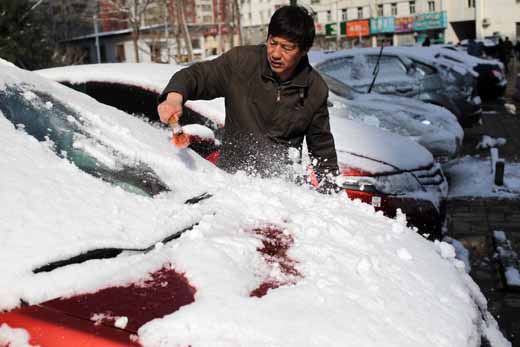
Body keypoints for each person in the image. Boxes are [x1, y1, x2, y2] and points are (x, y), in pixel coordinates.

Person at [157, 5, 339, 191]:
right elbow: (197, 75)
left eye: (286, 48)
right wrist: (174, 97)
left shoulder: (314, 88)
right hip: (232, 184)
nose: (276, 53)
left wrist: (332, 194)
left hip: (281, 192)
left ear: (304, 50)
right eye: (273, 42)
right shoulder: (241, 63)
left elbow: (322, 150)